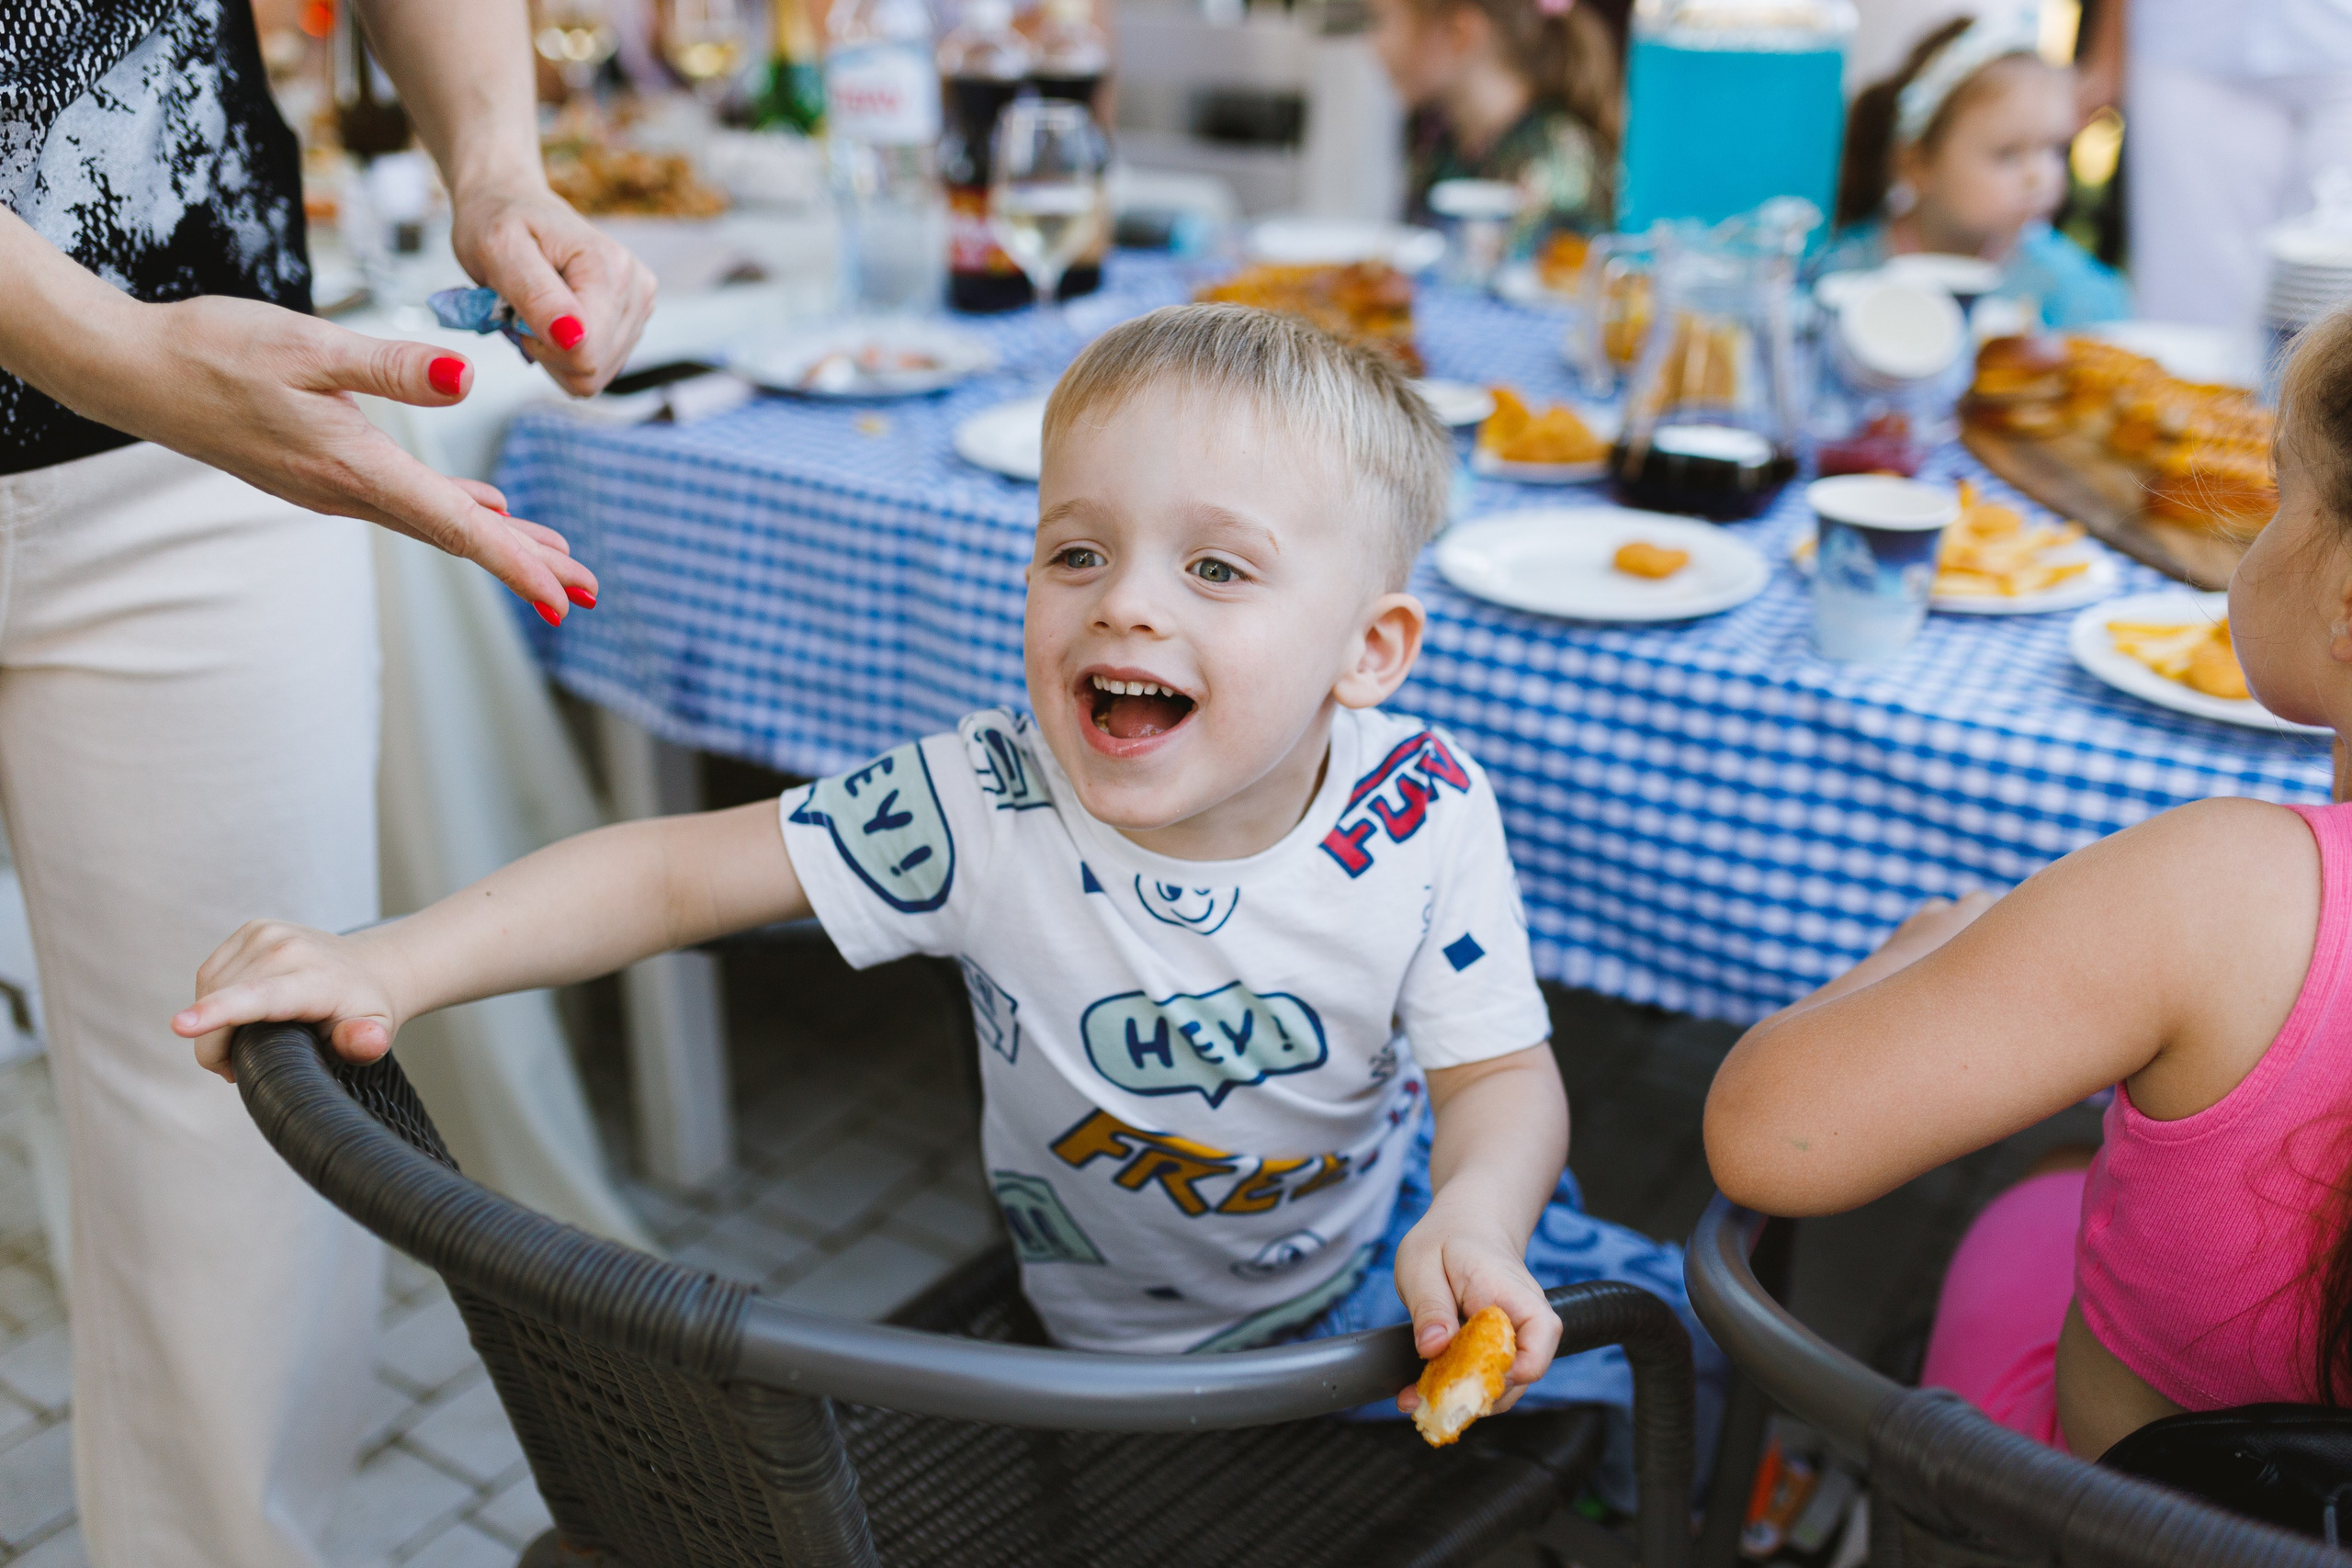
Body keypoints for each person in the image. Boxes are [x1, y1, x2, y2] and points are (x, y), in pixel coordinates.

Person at [175, 303, 1720, 1467]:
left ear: (1367, 655)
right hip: (1101, 1364)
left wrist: (1476, 1204)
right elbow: (664, 872)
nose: (1125, 604)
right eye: (1075, 553)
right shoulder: (983, 799)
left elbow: (1502, 1075)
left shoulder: (1423, 804)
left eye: (1219, 570)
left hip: (1379, 1290)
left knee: (1695, 1344)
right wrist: (395, 963)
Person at [0, 0, 653, 1561]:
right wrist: (108, 346)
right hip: (163, 363)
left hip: (207, 422)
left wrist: (495, 163)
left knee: (249, 1119)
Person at [1702, 302, 2352, 1458]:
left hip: (2118, 1525)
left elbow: (1768, 1144)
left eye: (2276, 500)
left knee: (2034, 1201)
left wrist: (1929, 945)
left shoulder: (2221, 889)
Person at [1817, 13, 2130, 330]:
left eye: (2056, 150)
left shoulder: (2076, 298)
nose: (2040, 177)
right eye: (2007, 154)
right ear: (1916, 163)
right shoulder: (1841, 277)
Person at [2075, 0, 2352, 333]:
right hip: (2190, 41)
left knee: (2335, 297)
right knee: (2192, 310)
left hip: (2339, 39)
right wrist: (2109, 46)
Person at [1367, 0, 1620, 238]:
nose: (1375, 47)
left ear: (1459, 34)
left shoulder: (1561, 164)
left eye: (1383, 22)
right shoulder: (1437, 144)